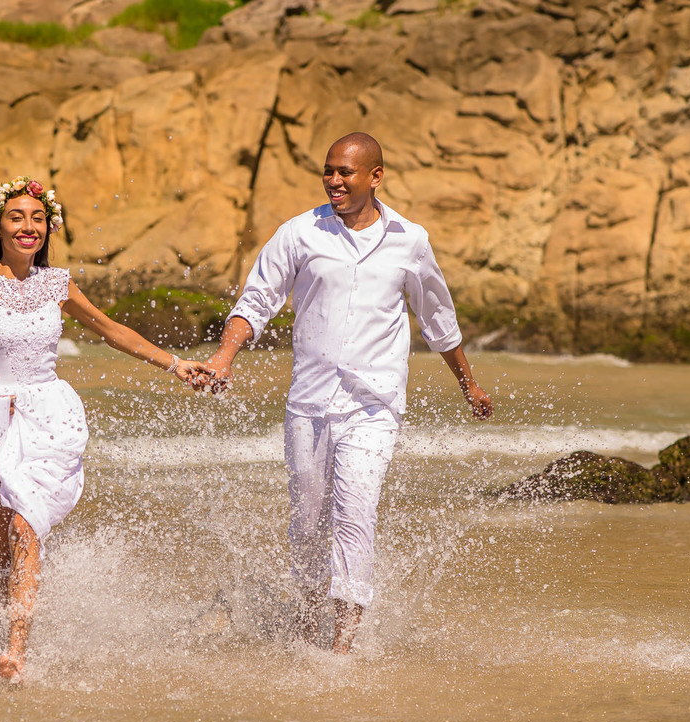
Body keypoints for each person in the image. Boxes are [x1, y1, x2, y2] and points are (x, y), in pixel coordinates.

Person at [194, 133, 494, 654]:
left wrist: (468, 386)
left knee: (355, 514)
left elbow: (437, 319)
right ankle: (309, 630)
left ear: (375, 176)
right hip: (308, 405)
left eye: (345, 172)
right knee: (309, 524)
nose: (333, 180)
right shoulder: (300, 232)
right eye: (328, 171)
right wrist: (224, 357)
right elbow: (257, 299)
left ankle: (342, 648)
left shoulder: (410, 239)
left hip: (374, 406)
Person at [0, 175, 210, 683]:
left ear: (48, 228)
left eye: (38, 219)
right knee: (0, 541)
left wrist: (175, 364)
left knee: (27, 523)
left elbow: (112, 330)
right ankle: (2, 627)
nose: (29, 228)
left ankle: (15, 649)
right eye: (17, 218)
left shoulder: (57, 284)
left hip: (47, 416)